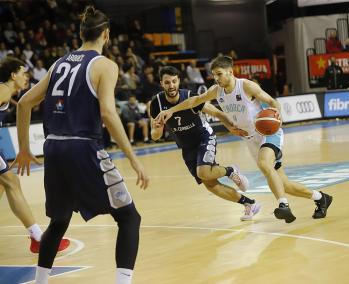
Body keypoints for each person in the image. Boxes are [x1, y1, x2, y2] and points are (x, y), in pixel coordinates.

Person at [13, 6, 149, 284]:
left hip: (53, 148)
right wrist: (133, 158)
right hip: (83, 147)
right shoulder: (106, 65)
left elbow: (25, 102)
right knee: (129, 218)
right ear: (107, 35)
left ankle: (40, 282)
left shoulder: (58, 63)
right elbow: (109, 113)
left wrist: (24, 149)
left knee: (60, 220)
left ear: (81, 33)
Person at [156, 56, 333, 223]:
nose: (216, 78)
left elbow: (272, 101)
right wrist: (171, 111)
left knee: (265, 164)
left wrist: (277, 110)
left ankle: (283, 205)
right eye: (214, 75)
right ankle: (321, 198)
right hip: (250, 139)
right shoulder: (216, 91)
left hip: (268, 132)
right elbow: (193, 101)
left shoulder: (246, 86)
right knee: (283, 183)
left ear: (230, 72)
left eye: (219, 74)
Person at [150, 66, 260, 221]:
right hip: (186, 147)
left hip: (204, 137)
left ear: (179, 80)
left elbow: (218, 113)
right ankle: (249, 204)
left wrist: (231, 128)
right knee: (211, 185)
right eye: (167, 82)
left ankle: (230, 170)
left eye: (174, 81)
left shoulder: (189, 96)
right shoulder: (156, 103)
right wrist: (156, 129)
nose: (171, 85)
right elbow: (155, 136)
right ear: (161, 83)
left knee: (203, 173)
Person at [0, 57, 70, 254]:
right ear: (13, 75)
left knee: (5, 185)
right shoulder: (4, 89)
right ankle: (39, 238)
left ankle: (37, 237)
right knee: (11, 182)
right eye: (23, 73)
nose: (26, 77)